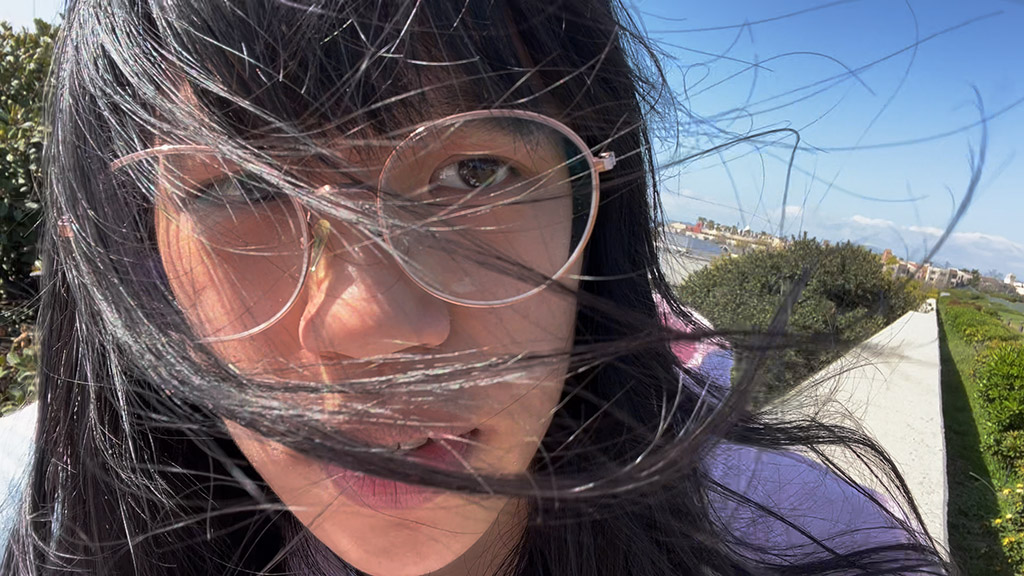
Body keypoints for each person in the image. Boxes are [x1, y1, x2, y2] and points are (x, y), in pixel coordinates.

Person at [0, 0, 951, 574]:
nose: (378, 324)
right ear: (123, 251)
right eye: (249, 187)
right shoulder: (32, 525)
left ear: (597, 219)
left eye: (476, 173)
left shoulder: (805, 547)